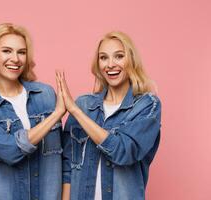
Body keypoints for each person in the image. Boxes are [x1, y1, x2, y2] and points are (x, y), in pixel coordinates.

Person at [0, 23, 65, 200]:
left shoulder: (45, 95)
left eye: (21, 52)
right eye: (7, 51)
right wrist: (56, 114)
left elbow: (64, 157)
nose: (15, 59)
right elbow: (11, 151)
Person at [58, 31, 161, 200]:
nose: (110, 64)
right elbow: (68, 164)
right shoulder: (84, 104)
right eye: (103, 58)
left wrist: (75, 111)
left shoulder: (147, 105)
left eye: (119, 56)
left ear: (131, 60)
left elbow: (123, 152)